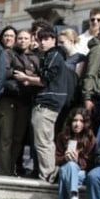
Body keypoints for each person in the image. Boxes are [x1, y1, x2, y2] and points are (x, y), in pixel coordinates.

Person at [0, 29, 37, 176]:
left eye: (26, 38)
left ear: (31, 39)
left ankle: (12, 167)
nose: (22, 41)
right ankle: (4, 171)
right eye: (20, 38)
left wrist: (28, 76)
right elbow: (4, 72)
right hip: (8, 99)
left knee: (18, 138)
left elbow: (40, 75)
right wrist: (19, 73)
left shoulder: (35, 56)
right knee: (6, 136)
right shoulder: (8, 53)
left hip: (25, 100)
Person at [32, 28, 69, 182]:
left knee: (43, 142)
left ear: (54, 39)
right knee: (47, 140)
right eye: (40, 39)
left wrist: (29, 76)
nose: (42, 42)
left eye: (46, 39)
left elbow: (46, 77)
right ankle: (50, 173)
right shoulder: (54, 55)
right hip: (52, 102)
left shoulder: (54, 55)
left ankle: (47, 176)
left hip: (48, 103)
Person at [54, 107, 98, 199]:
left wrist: (78, 159)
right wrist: (65, 157)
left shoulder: (90, 138)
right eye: (75, 120)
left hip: (82, 174)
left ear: (85, 123)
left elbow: (92, 163)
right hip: (67, 170)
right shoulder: (62, 136)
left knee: (67, 170)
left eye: (81, 121)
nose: (77, 124)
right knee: (68, 166)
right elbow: (56, 159)